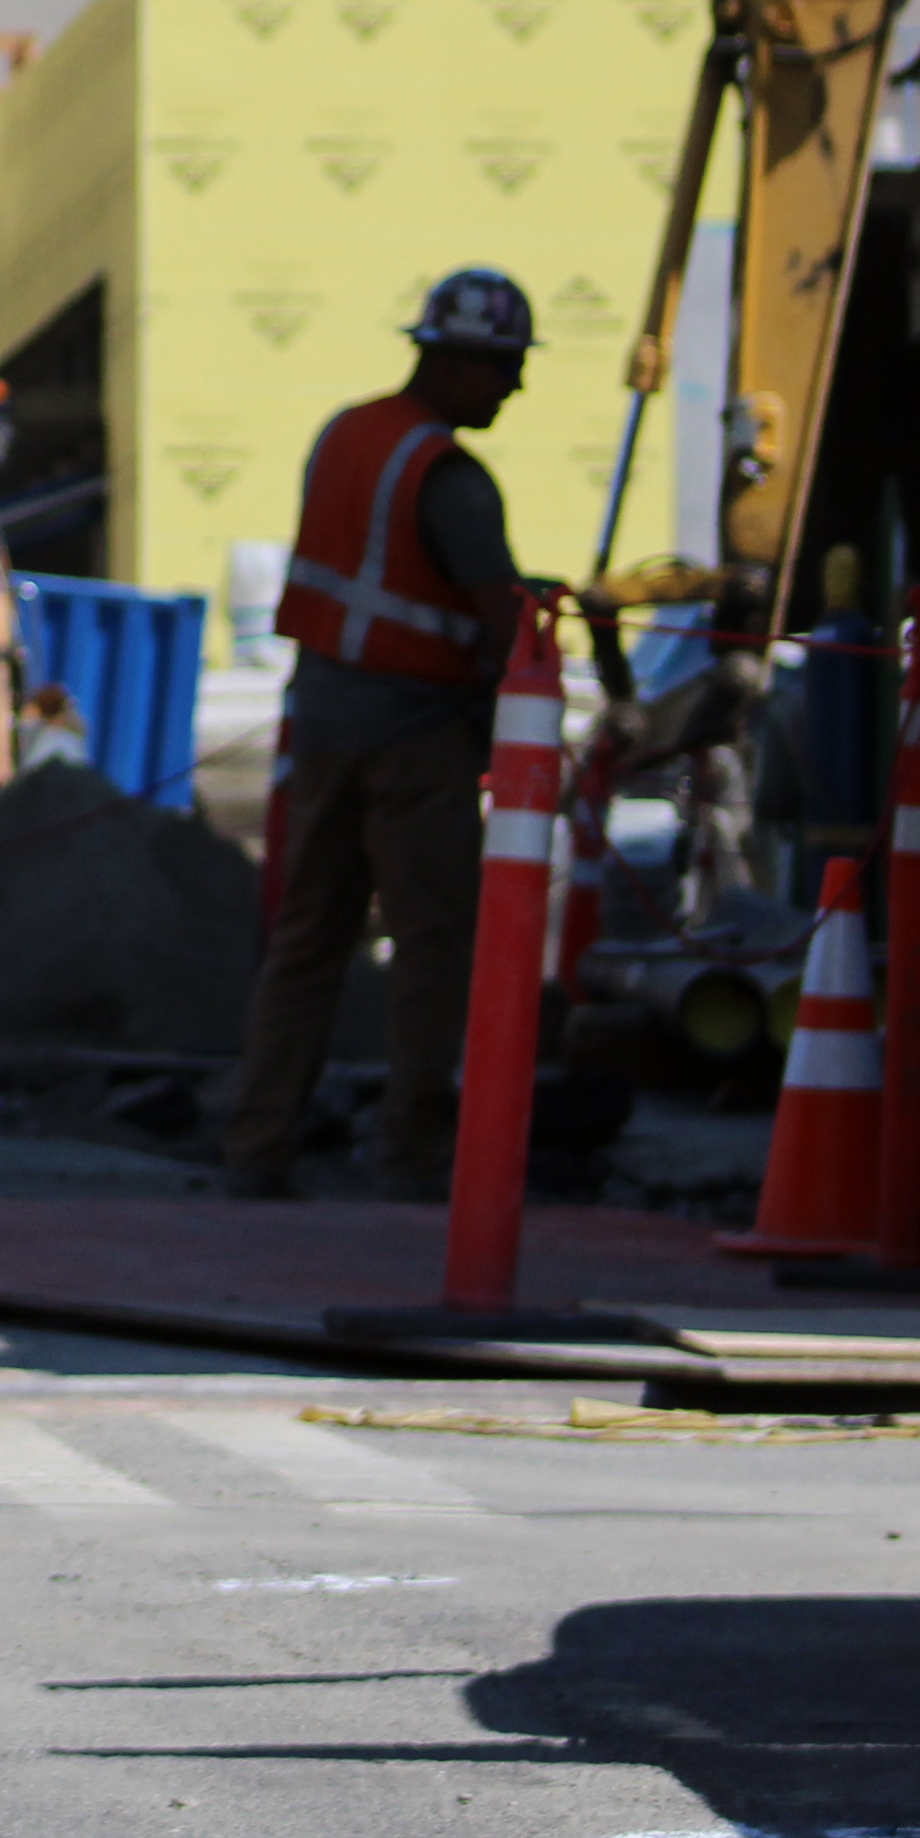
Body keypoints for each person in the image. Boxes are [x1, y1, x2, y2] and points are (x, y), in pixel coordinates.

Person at [220, 267, 539, 1196]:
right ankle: (415, 1157)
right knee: (433, 947)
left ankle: (256, 1146)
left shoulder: (347, 436)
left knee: (306, 943)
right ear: (460, 364)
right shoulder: (452, 478)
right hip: (416, 741)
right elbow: (499, 628)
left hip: (322, 726)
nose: (516, 388)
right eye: (508, 368)